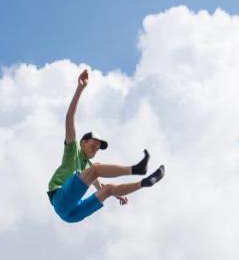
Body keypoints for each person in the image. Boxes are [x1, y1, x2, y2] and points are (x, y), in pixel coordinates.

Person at [48, 70, 165, 224]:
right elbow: (70, 118)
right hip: (60, 200)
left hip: (72, 215)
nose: (95, 149)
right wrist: (80, 89)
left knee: (108, 189)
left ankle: (144, 183)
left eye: (97, 148)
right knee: (96, 169)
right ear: (83, 143)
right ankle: (135, 169)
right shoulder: (72, 150)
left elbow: (100, 186)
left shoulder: (88, 168)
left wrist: (119, 195)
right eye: (93, 145)